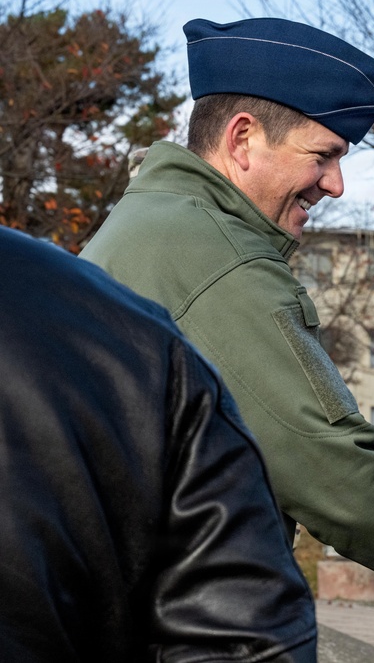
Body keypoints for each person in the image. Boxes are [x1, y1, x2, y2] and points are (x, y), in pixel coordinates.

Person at [80, 17, 374, 639]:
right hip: (176, 623)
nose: (336, 184)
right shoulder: (218, 257)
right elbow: (329, 468)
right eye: (322, 155)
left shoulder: (151, 220)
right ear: (243, 140)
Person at [0, 227, 316, 662]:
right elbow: (239, 639)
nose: (335, 185)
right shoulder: (130, 328)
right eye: (322, 155)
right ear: (239, 153)